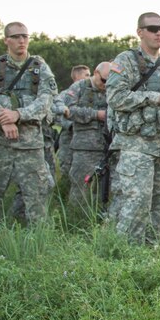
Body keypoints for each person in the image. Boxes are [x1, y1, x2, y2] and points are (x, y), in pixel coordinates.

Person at [105, 13, 160, 244]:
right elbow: (115, 97)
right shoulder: (126, 61)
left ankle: (149, 251)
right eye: (152, 28)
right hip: (137, 146)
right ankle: (125, 254)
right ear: (140, 32)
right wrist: (156, 98)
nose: (158, 33)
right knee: (137, 200)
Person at [0, 22, 58, 225]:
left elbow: (46, 101)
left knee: (37, 194)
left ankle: (38, 241)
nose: (21, 40)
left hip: (30, 144)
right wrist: (3, 119)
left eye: (25, 36)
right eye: (16, 36)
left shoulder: (40, 67)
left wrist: (19, 115)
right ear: (6, 40)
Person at [60, 62, 111, 211]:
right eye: (104, 81)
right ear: (96, 73)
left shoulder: (113, 88)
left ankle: (102, 218)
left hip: (108, 146)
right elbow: (69, 111)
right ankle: (75, 219)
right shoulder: (79, 87)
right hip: (84, 147)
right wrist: (95, 115)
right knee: (80, 186)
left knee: (106, 187)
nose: (106, 85)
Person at [56, 64, 91, 181]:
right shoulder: (65, 95)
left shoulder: (89, 95)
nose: (89, 78)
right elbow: (56, 113)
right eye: (87, 75)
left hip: (85, 140)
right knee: (67, 168)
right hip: (69, 138)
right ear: (76, 77)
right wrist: (71, 125)